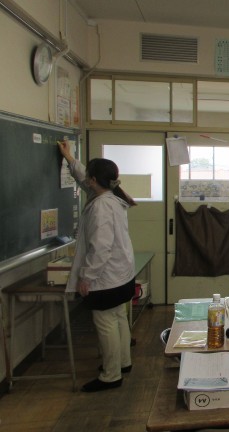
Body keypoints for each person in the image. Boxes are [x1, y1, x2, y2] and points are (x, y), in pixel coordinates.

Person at [58, 141, 136, 393]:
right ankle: (123, 362)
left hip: (106, 277)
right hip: (121, 274)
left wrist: (86, 277)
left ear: (94, 180)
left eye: (89, 178)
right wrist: (70, 158)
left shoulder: (101, 206)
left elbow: (101, 248)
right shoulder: (112, 197)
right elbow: (85, 178)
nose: (86, 181)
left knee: (106, 323)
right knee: (118, 318)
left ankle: (111, 375)